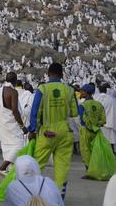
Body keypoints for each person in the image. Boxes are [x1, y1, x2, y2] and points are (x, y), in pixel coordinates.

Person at [28, 63, 78, 198]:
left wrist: (32, 130)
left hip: (47, 132)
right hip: (65, 131)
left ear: (48, 73)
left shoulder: (42, 89)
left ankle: (33, 193)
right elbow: (74, 112)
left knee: (38, 163)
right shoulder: (69, 90)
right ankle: (59, 196)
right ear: (62, 75)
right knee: (62, 166)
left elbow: (35, 112)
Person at [0, 72, 27, 174]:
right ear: (15, 81)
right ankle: (3, 167)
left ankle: (10, 171)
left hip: (2, 123)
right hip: (12, 124)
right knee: (20, 146)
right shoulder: (13, 92)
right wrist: (22, 126)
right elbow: (15, 110)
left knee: (7, 146)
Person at [77, 84, 105, 168]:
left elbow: (82, 119)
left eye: (82, 91)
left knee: (85, 151)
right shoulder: (99, 105)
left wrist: (89, 126)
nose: (81, 93)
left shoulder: (82, 105)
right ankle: (96, 169)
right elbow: (103, 120)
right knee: (95, 151)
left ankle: (89, 170)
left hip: (85, 130)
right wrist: (95, 126)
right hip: (96, 131)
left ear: (86, 92)